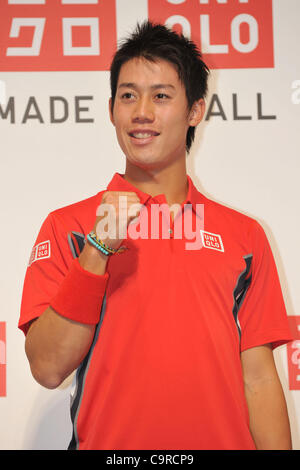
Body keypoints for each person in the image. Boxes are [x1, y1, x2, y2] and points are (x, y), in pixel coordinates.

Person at [19, 21, 293, 450]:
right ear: (111, 109)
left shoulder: (244, 237)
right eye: (128, 95)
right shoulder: (69, 227)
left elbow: (258, 378)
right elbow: (48, 367)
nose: (141, 111)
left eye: (161, 96)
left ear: (195, 111)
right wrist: (98, 248)